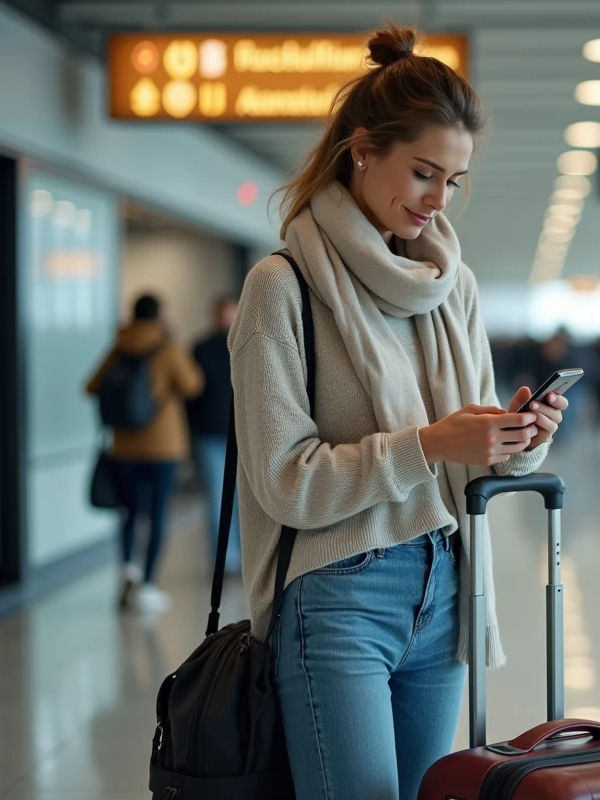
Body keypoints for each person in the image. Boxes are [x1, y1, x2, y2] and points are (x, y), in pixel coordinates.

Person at [228, 26, 567, 800]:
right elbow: (285, 481)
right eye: (423, 173)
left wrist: (514, 441)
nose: (437, 200)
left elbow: (467, 454)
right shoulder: (281, 288)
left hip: (448, 584)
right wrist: (428, 444)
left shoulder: (453, 286)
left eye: (453, 181)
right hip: (339, 593)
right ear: (361, 151)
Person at [85, 294, 204, 613]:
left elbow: (91, 386)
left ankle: (129, 571)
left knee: (129, 512)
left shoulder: (119, 346)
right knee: (157, 513)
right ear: (159, 315)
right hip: (163, 447)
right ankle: (148, 585)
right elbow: (193, 385)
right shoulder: (168, 347)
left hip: (123, 446)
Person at [187, 296, 241, 573]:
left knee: (244, 501)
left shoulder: (249, 343)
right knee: (217, 500)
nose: (226, 320)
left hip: (243, 436)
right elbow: (190, 394)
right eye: (222, 314)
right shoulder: (201, 348)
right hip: (209, 434)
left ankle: (245, 559)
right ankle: (225, 561)